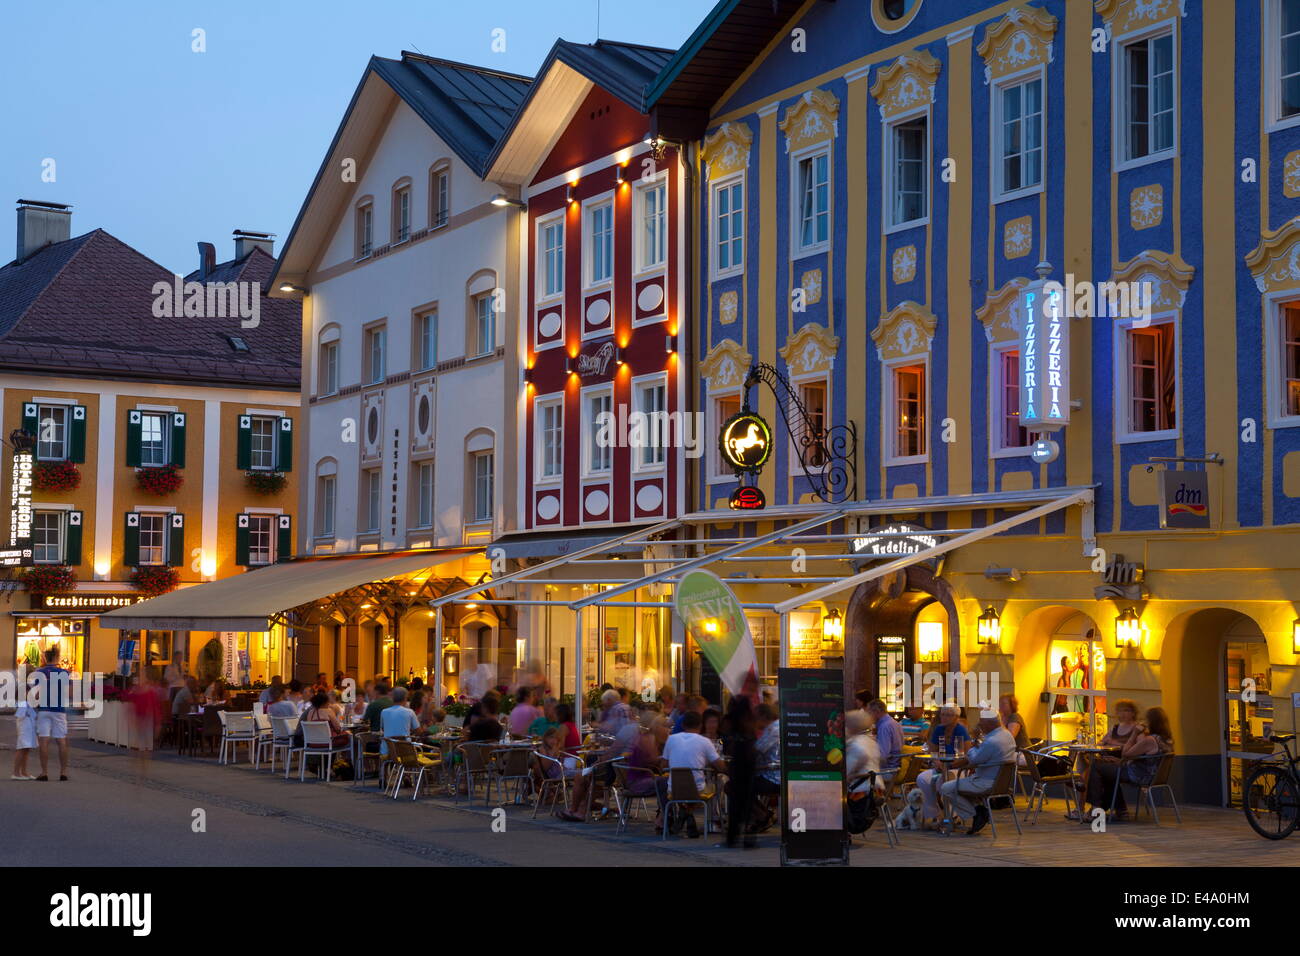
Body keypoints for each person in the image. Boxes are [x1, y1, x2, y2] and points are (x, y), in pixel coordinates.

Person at [1085, 704, 1173, 820]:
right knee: (1109, 771)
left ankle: (1097, 809)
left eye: (1145, 720)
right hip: (1152, 776)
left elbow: (1126, 753)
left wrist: (1134, 733)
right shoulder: (1167, 740)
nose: (1143, 723)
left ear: (1152, 722)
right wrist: (1120, 762)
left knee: (1096, 767)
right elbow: (1142, 758)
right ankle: (1121, 811)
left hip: (1139, 776)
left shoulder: (1150, 740)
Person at [937, 711, 1016, 834]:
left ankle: (976, 812)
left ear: (990, 724)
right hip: (1000, 783)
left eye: (982, 722)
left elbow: (974, 760)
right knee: (957, 786)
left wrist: (973, 746)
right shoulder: (1007, 735)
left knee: (946, 788)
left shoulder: (992, 741)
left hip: (985, 782)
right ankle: (978, 809)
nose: (979, 725)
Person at [654, 710, 727, 838]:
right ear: (700, 725)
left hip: (674, 789)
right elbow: (720, 766)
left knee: (662, 782)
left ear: (682, 725)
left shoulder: (671, 739)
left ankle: (683, 816)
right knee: (717, 783)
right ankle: (695, 817)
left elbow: (663, 766)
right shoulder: (705, 741)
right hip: (698, 790)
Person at [915, 704, 970, 826]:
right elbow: (933, 751)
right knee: (922, 778)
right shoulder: (938, 729)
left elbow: (966, 755)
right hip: (941, 767)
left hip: (957, 768)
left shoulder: (961, 730)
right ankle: (934, 815)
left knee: (943, 782)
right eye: (943, 714)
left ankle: (952, 816)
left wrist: (949, 766)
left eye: (949, 715)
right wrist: (937, 762)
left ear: (956, 717)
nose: (945, 717)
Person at [723, 695, 758, 848]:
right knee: (748, 798)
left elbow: (726, 738)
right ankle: (749, 834)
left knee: (735, 798)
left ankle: (733, 835)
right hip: (749, 758)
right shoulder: (750, 720)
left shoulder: (730, 719)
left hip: (737, 759)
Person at [34, 647, 71, 781]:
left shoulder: (39, 673)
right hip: (59, 710)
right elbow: (70, 693)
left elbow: (36, 694)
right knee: (61, 740)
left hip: (44, 709)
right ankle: (63, 772)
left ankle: (44, 772)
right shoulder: (64, 673)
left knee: (44, 740)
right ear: (57, 657)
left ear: (45, 658)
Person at [866, 699, 903, 785]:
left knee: (855, 773)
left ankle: (871, 797)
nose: (868, 716)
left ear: (876, 712)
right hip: (897, 766)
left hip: (888, 770)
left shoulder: (884, 727)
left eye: (869, 713)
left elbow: (882, 755)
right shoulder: (895, 723)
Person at [844, 709, 882, 793]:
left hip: (860, 790)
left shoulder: (855, 743)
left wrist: (850, 774)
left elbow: (863, 755)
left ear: (852, 726)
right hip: (876, 786)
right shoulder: (870, 741)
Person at [378, 686, 421, 755]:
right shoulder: (410, 712)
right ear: (405, 698)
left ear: (393, 698)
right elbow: (418, 731)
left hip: (387, 750)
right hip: (405, 752)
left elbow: (383, 729)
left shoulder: (384, 712)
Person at [12, 691, 37, 780]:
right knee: (21, 749)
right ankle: (16, 773)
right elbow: (20, 715)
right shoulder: (23, 703)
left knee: (26, 750)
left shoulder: (26, 703)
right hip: (24, 728)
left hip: (29, 728)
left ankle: (24, 772)